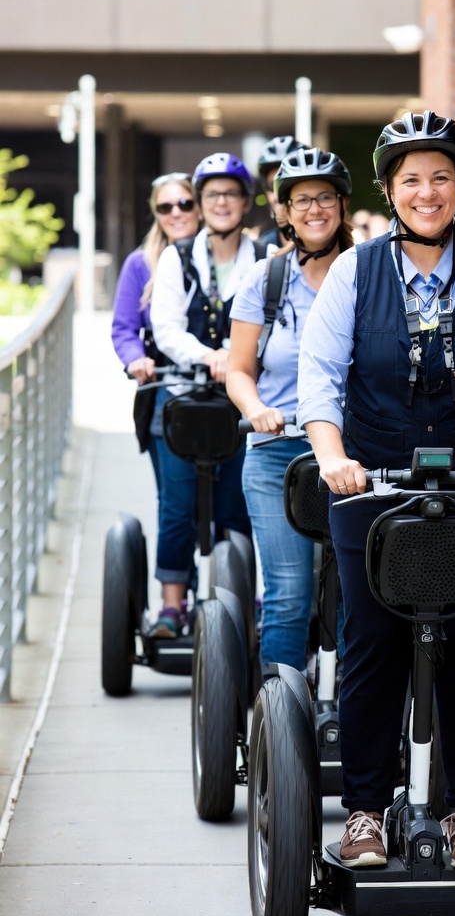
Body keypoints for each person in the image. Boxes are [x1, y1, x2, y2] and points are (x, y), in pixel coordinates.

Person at [298, 111, 455, 869]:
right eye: (411, 179)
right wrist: (333, 457)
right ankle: (367, 811)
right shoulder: (354, 271)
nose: (427, 191)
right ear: (388, 190)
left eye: (441, 176)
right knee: (370, 640)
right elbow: (320, 375)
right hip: (370, 484)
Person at [227, 148, 355, 671]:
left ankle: (358, 713)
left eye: (325, 197)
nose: (314, 209)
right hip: (278, 454)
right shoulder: (266, 279)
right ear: (284, 212)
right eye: (301, 200)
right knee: (287, 597)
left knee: (361, 596)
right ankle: (279, 725)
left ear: (343, 205)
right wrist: (256, 407)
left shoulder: (370, 272)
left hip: (357, 459)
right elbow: (238, 370)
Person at [148, 153, 258, 638]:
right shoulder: (178, 256)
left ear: (245, 202)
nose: (220, 203)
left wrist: (233, 357)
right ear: (201, 202)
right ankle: (172, 606)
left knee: (238, 503)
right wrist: (212, 355)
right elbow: (166, 328)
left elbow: (268, 321)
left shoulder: (262, 257)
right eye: (211, 195)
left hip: (240, 401)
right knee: (178, 505)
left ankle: (240, 598)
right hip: (183, 398)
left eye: (230, 194)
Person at [110, 173, 201, 484]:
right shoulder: (140, 263)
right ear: (156, 213)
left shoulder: (221, 256)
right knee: (174, 501)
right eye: (165, 207)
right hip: (165, 380)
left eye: (185, 204)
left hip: (221, 382)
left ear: (199, 207)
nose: (175, 213)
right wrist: (135, 358)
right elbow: (124, 327)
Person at [254, 135, 306, 256]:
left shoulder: (345, 250)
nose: (279, 196)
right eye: (273, 187)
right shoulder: (259, 248)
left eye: (289, 186)